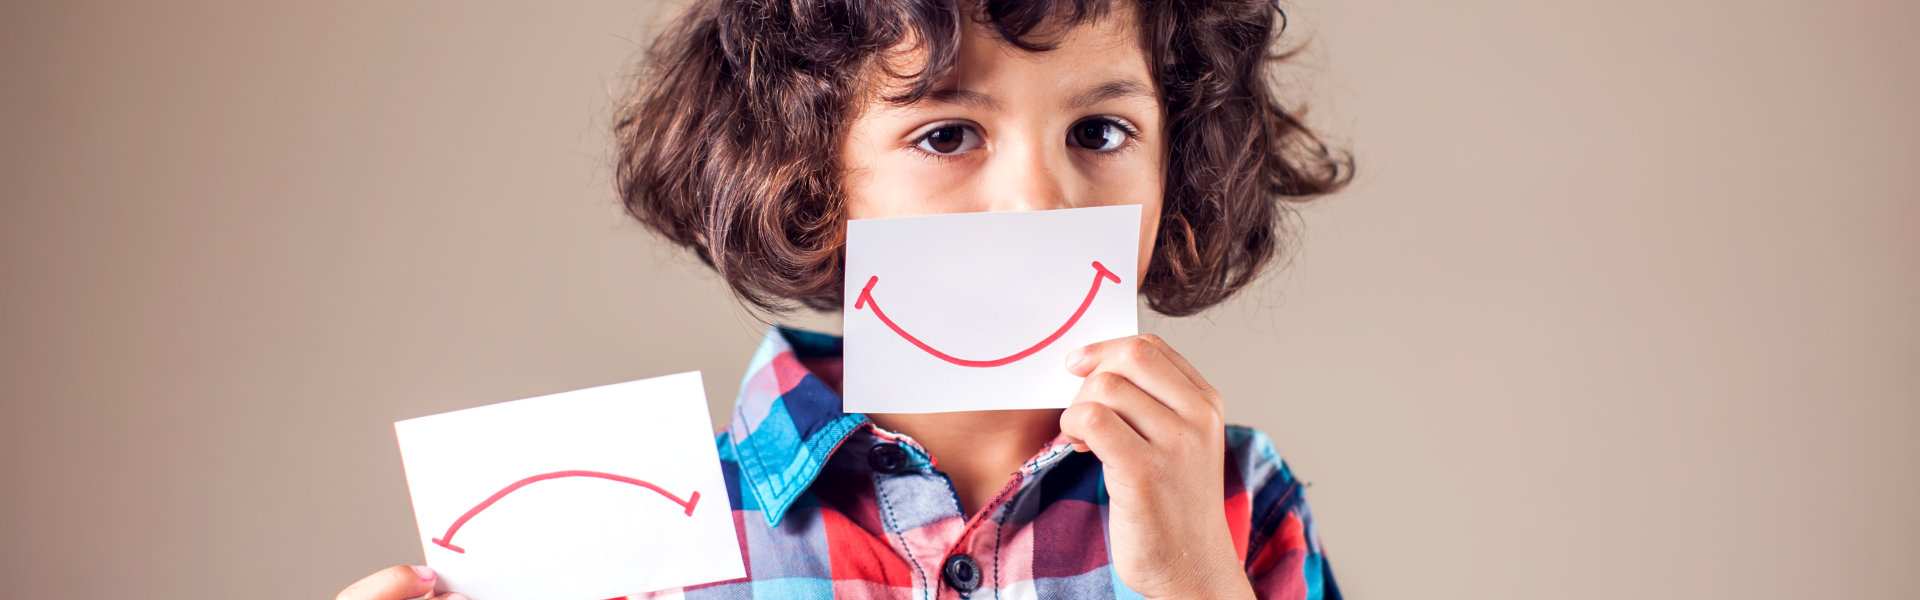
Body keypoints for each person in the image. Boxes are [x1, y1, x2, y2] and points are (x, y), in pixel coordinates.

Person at [338, 0, 1351, 598]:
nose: (1036, 200)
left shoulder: (1234, 498)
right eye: (948, 135)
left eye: (1100, 133)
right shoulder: (646, 526)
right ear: (812, 174)